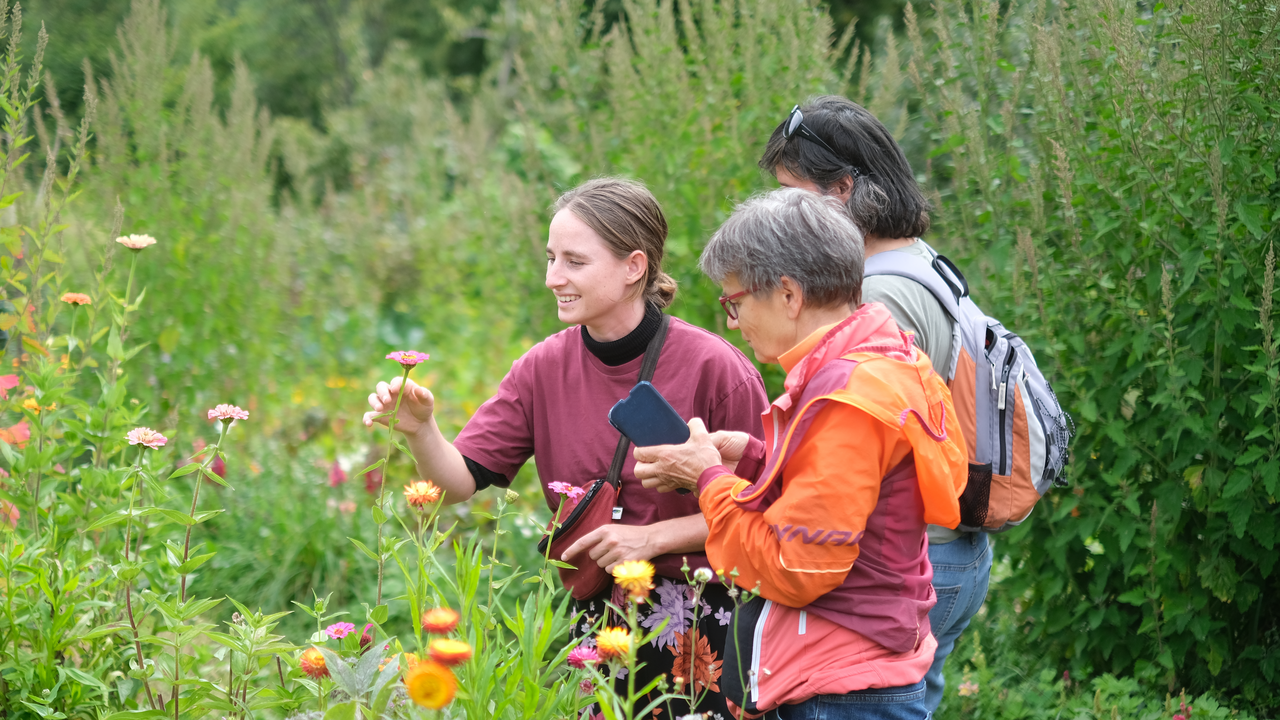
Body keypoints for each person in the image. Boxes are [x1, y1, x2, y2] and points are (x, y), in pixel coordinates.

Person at [363, 177, 769, 719]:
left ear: (634, 266)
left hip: (703, 624)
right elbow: (457, 483)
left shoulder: (716, 368)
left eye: (574, 262)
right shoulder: (541, 367)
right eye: (551, 258)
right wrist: (420, 430)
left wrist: (650, 538)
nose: (554, 278)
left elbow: (764, 506)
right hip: (595, 619)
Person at [633, 188, 967, 720]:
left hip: (846, 685)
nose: (732, 323)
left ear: (788, 294)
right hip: (865, 667)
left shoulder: (846, 400)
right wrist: (753, 455)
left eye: (735, 302)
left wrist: (709, 480)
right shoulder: (883, 356)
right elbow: (851, 495)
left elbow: (795, 566)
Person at [757, 95, 993, 711]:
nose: (784, 213)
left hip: (914, 563)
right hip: (947, 550)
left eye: (793, 194)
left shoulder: (879, 290)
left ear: (842, 190)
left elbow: (859, 434)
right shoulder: (914, 260)